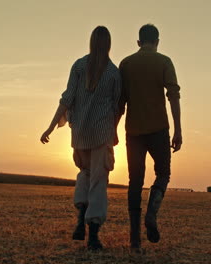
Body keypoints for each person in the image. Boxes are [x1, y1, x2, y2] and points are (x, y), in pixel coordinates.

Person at [40, 26, 121, 251]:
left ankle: (79, 221)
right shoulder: (114, 73)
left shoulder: (78, 66)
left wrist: (50, 127)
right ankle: (93, 234)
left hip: (80, 133)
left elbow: (67, 99)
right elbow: (116, 107)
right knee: (98, 181)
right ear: (109, 44)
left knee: (84, 175)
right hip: (101, 134)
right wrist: (113, 133)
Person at [118, 24, 182, 251]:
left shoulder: (126, 64)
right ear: (157, 41)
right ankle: (151, 214)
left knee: (135, 182)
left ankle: (134, 240)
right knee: (163, 173)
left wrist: (113, 130)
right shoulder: (164, 61)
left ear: (138, 42)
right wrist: (178, 130)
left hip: (133, 131)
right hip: (158, 130)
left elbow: (120, 101)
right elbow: (173, 96)